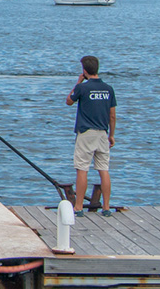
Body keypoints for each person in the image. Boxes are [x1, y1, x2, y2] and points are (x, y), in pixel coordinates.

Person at [66, 55, 116, 217]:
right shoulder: (108, 89)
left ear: (85, 71)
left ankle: (79, 207)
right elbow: (112, 115)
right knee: (104, 169)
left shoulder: (83, 88)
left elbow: (69, 101)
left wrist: (78, 82)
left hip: (86, 132)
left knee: (82, 169)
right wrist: (111, 135)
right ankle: (106, 207)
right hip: (102, 132)